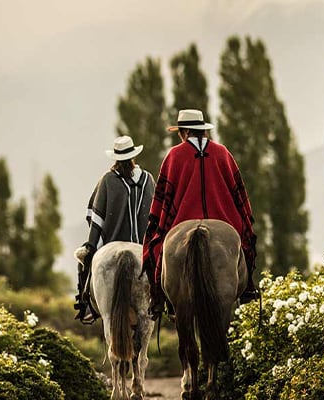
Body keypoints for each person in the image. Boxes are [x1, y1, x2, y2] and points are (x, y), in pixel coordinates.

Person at [142, 109, 260, 321]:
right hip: (224, 218)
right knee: (245, 244)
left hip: (181, 221)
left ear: (184, 132)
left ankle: (157, 298)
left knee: (155, 247)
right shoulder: (223, 153)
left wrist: (157, 228)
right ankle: (247, 289)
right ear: (202, 130)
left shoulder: (174, 156)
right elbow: (239, 195)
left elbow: (162, 200)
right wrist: (244, 223)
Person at [74, 135, 155, 324]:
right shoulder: (148, 179)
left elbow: (96, 216)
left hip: (112, 241)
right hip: (142, 244)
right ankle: (165, 303)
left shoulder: (108, 179)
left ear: (116, 158)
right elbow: (155, 213)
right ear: (133, 156)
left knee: (83, 261)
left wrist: (91, 245)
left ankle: (85, 303)